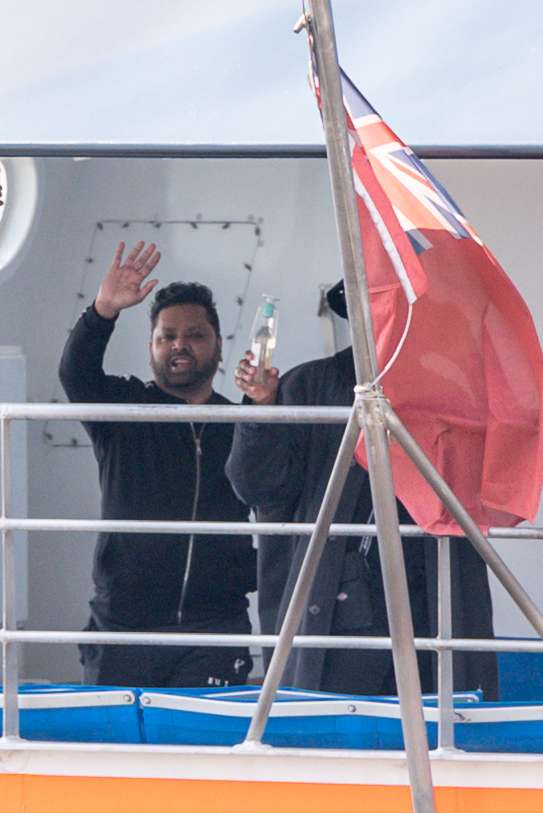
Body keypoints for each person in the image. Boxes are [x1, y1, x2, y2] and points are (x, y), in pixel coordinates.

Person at [228, 287, 506, 700]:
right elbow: (256, 487)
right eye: (372, 309)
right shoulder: (306, 384)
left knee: (435, 737)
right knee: (330, 742)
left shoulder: (451, 386)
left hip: (428, 611)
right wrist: (262, 408)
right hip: (333, 619)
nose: (382, 319)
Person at [55, 240, 257, 690]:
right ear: (151, 349)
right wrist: (103, 309)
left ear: (219, 347)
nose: (179, 345)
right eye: (167, 337)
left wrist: (264, 405)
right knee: (117, 757)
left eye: (195, 335)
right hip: (123, 627)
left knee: (206, 753)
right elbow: (76, 374)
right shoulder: (123, 411)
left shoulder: (242, 422)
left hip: (215, 628)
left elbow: (274, 486)